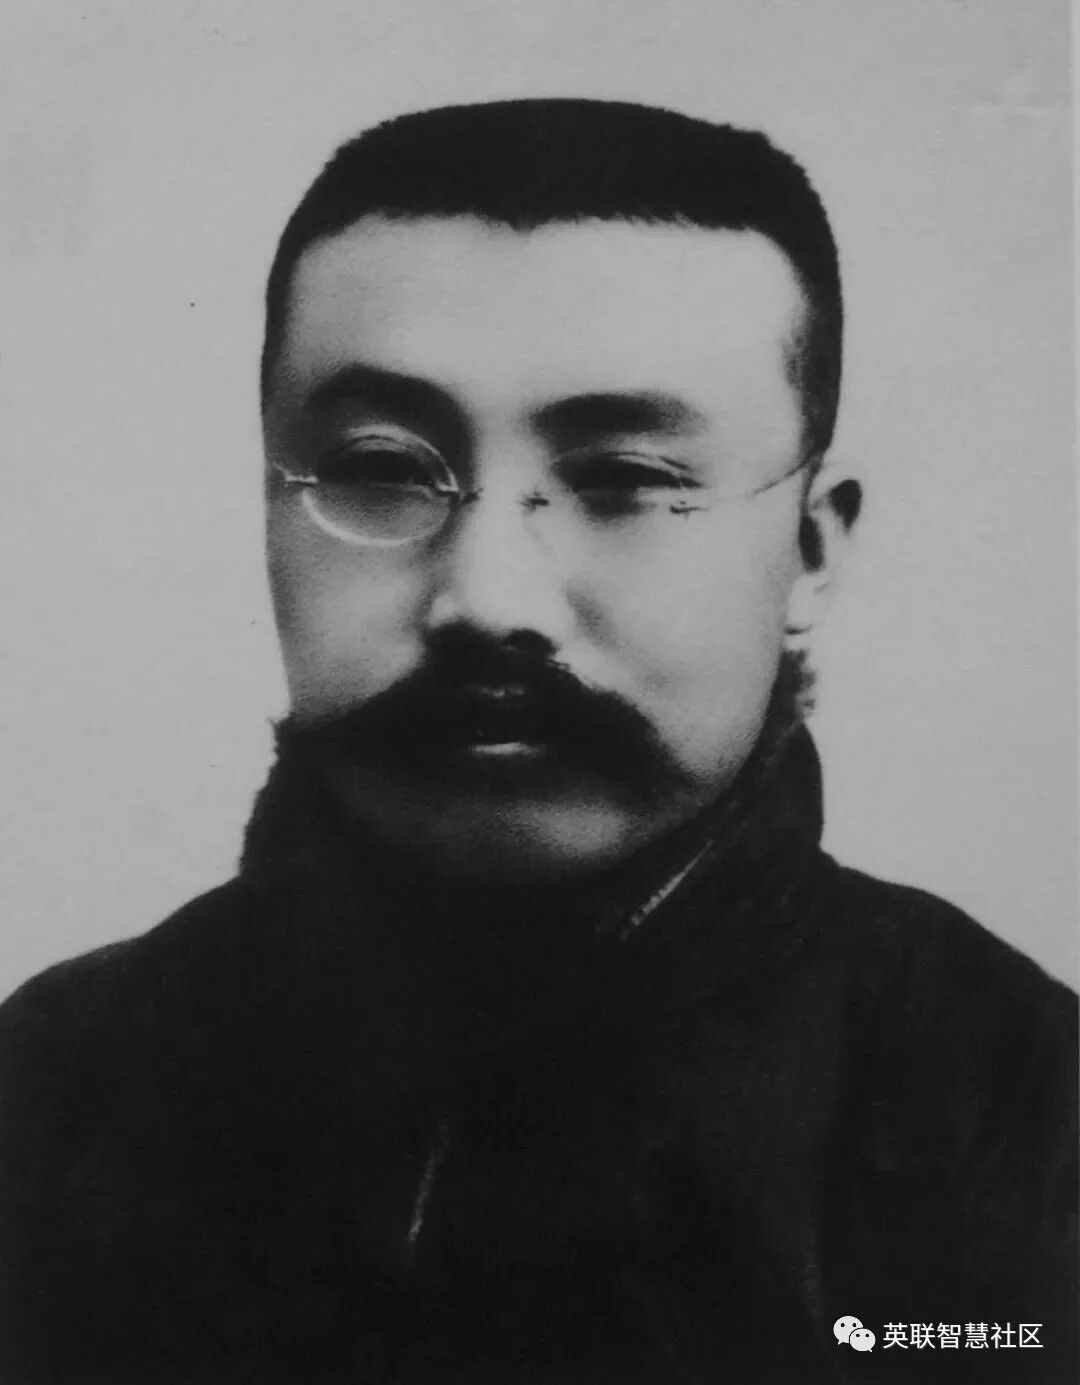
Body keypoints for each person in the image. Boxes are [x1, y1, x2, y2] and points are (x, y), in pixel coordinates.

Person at [0, 99, 1074, 1385]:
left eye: (624, 479)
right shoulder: (52, 1088)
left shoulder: (1020, 1107)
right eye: (380, 469)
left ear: (809, 550)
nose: (489, 596)